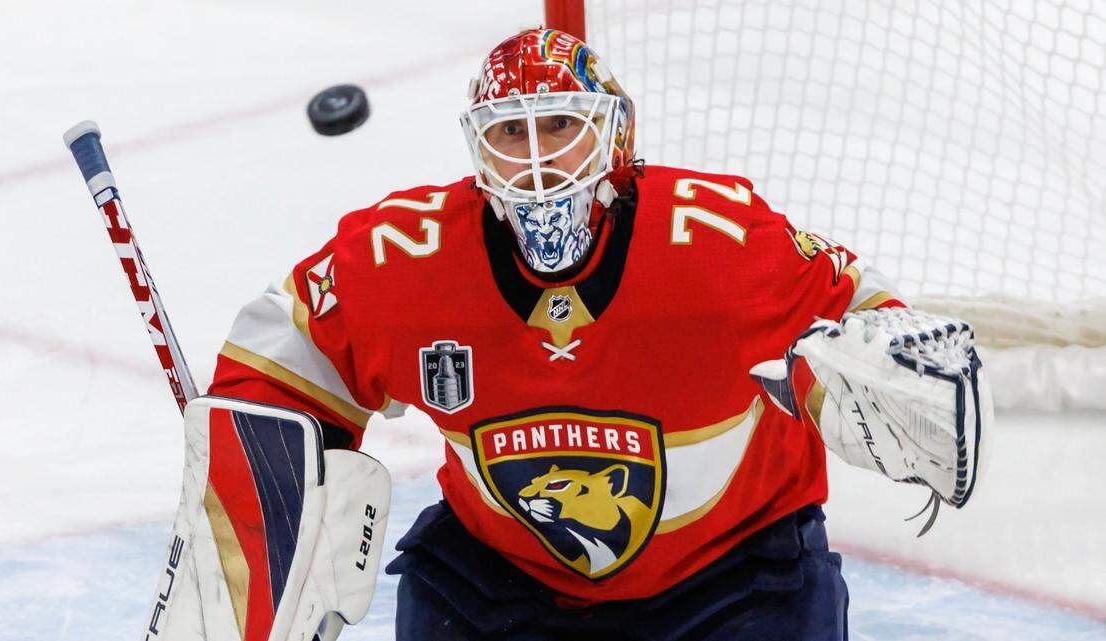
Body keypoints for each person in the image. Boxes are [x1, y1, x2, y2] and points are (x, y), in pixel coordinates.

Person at [168, 28, 990, 641]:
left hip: (734, 579)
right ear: (476, 147)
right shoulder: (406, 257)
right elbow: (282, 362)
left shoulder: (716, 244)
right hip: (504, 582)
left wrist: (864, 369)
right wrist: (262, 490)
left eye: (559, 125)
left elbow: (858, 308)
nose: (536, 161)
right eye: (509, 133)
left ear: (613, 135)